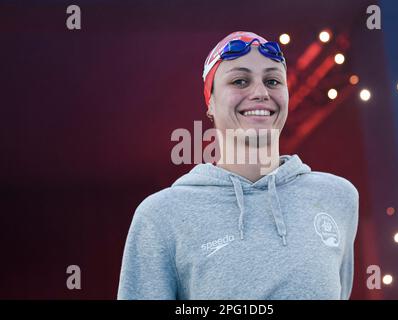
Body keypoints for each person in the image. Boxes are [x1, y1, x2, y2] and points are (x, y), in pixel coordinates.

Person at [118, 31, 359, 300]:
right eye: (240, 81)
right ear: (210, 101)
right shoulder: (161, 216)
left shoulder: (338, 197)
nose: (260, 93)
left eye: (272, 81)